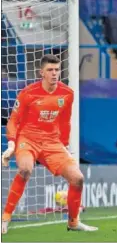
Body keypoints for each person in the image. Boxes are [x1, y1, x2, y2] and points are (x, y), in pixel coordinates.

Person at [1, 55, 98, 234]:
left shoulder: (67, 93)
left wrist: (65, 146)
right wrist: (11, 144)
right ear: (42, 73)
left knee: (77, 178)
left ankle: (73, 222)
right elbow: (13, 120)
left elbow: (65, 122)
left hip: (52, 142)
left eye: (56, 70)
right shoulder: (28, 93)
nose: (54, 73)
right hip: (27, 140)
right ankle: (5, 218)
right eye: (50, 70)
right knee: (25, 170)